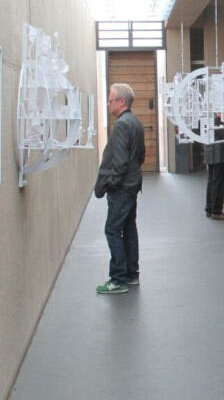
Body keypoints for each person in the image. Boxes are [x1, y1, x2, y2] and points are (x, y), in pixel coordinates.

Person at [93, 83, 146, 295]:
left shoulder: (123, 125)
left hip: (123, 187)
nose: (108, 104)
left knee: (113, 229)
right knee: (129, 227)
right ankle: (131, 274)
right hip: (132, 184)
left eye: (110, 100)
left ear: (121, 102)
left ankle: (118, 279)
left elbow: (120, 162)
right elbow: (141, 155)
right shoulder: (135, 122)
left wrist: (112, 184)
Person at [205, 114, 224, 220]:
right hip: (218, 153)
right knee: (218, 183)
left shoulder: (207, 116)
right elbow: (223, 134)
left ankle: (209, 208)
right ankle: (216, 211)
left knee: (211, 182)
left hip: (210, 152)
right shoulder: (217, 118)